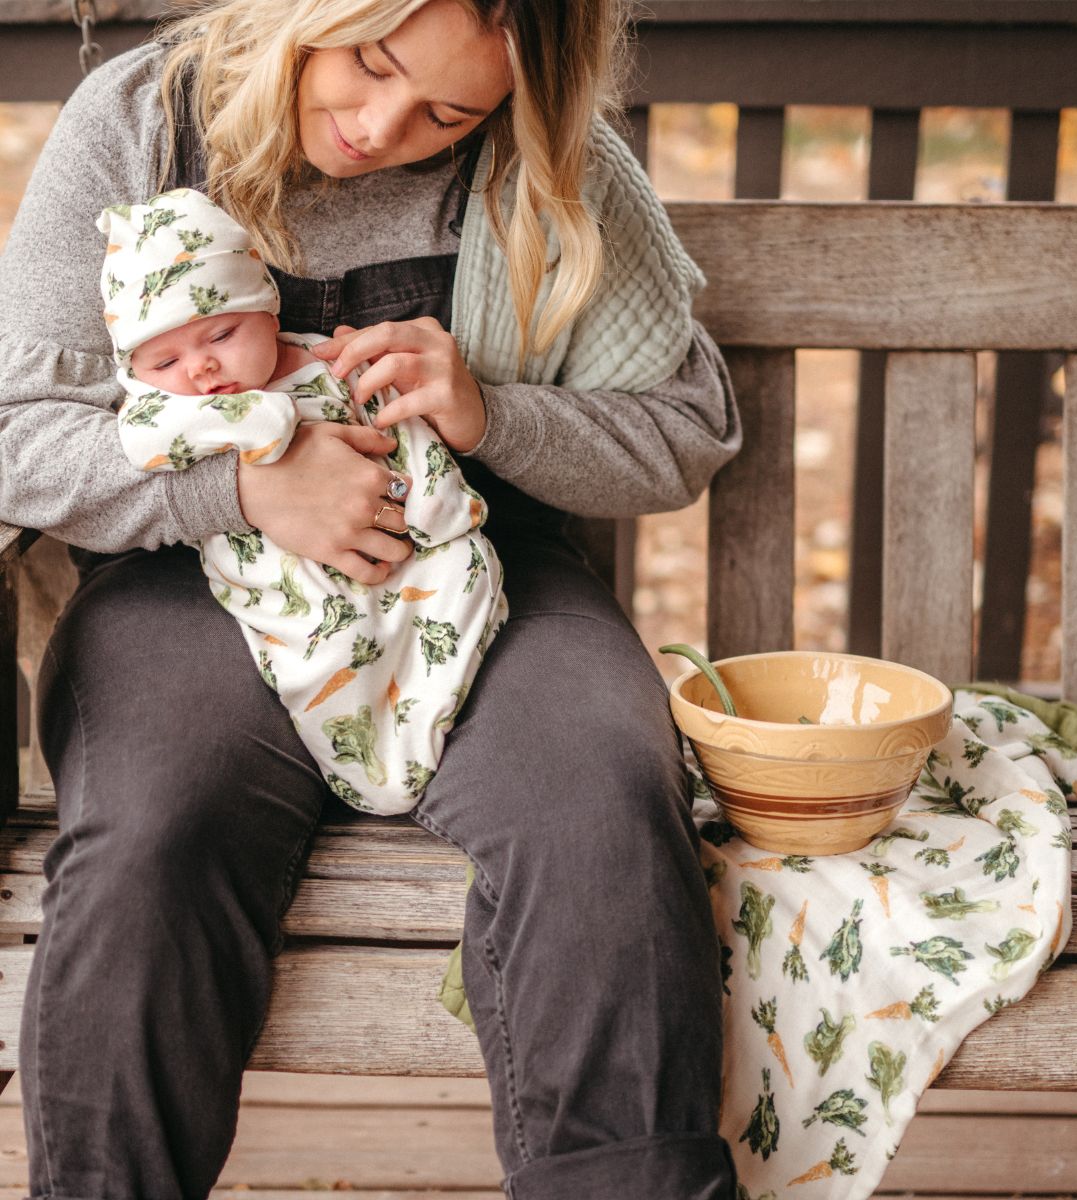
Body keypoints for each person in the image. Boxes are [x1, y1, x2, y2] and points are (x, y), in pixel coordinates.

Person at [0, 0, 743, 1195]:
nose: (380, 126)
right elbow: (14, 433)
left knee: (597, 800)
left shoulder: (555, 171)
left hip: (479, 573)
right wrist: (243, 491)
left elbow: (688, 432)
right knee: (157, 822)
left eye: (447, 112)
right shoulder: (143, 121)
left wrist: (493, 414)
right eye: (370, 64)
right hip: (183, 584)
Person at [101, 186, 507, 814]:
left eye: (223, 333)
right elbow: (142, 438)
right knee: (329, 652)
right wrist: (259, 427)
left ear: (268, 310)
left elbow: (404, 431)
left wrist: (438, 508)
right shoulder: (172, 412)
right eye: (165, 360)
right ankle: (382, 776)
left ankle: (425, 720)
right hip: (288, 582)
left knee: (466, 574)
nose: (202, 370)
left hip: (402, 546)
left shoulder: (327, 363)